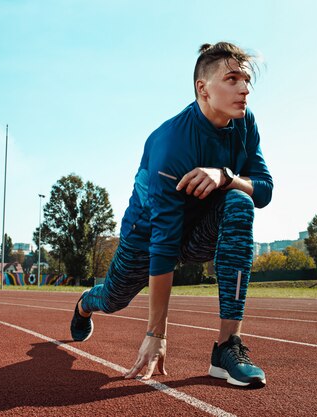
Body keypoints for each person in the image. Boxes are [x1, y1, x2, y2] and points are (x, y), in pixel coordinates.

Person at [70, 41, 273, 388]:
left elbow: (264, 190)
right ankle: (86, 303)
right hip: (146, 236)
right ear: (203, 88)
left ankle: (227, 347)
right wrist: (156, 333)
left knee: (239, 200)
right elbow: (163, 242)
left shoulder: (245, 123)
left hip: (199, 232)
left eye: (247, 81)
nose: (244, 88)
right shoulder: (171, 142)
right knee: (113, 299)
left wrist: (225, 175)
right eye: (233, 79)